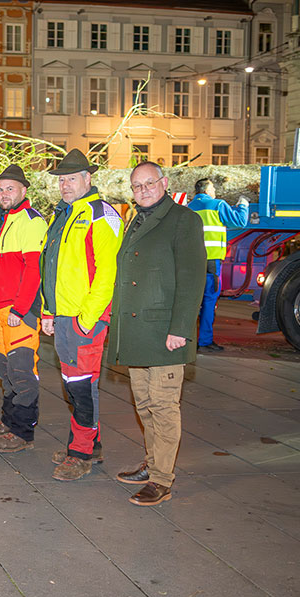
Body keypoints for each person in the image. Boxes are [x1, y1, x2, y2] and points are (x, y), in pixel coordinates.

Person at [108, 162, 206, 506]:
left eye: (149, 183)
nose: (143, 190)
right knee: (146, 405)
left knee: (164, 406)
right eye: (137, 186)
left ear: (164, 183)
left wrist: (180, 328)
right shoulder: (137, 219)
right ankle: (152, 464)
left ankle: (162, 480)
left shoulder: (183, 220)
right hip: (138, 330)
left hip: (165, 332)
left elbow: (193, 278)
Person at [40, 149, 123, 481]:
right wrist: (49, 311)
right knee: (76, 384)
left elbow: (108, 271)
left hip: (83, 319)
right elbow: (51, 267)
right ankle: (92, 443)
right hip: (63, 316)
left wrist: (86, 319)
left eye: (71, 178)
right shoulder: (62, 214)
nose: (65, 185)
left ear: (88, 178)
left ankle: (81, 453)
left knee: (81, 386)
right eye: (61, 179)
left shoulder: (101, 214)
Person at [0, 165, 47, 453]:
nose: (4, 193)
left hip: (21, 311)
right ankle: (8, 422)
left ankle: (22, 433)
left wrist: (20, 310)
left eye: (10, 188)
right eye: (1, 188)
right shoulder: (0, 221)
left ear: (24, 190)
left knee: (22, 372)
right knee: (4, 369)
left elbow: (34, 270)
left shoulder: (31, 221)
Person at [187, 178, 249, 352]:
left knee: (191, 301)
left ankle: (186, 340)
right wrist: (243, 204)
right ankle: (205, 341)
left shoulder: (188, 208)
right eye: (213, 188)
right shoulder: (217, 205)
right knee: (209, 301)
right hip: (212, 263)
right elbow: (240, 222)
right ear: (207, 190)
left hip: (191, 263)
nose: (215, 191)